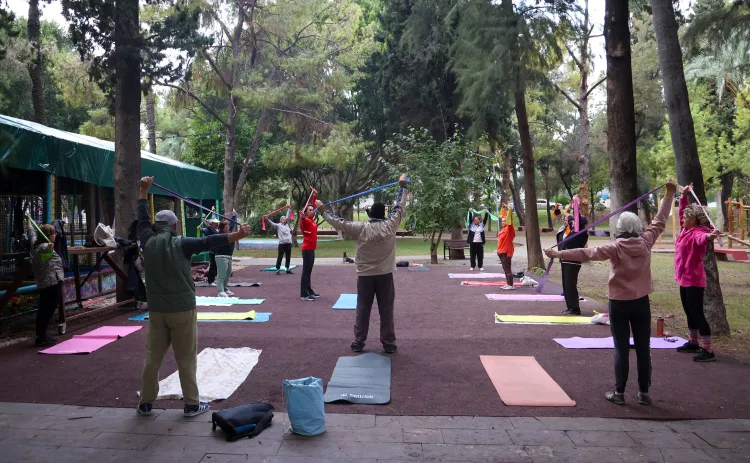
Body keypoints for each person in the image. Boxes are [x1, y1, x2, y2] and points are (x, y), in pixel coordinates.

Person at [545, 179, 677, 406]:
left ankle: (619, 392)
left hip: (619, 303)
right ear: (637, 227)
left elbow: (586, 253)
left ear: (620, 229)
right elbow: (660, 219)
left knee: (621, 347)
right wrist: (669, 194)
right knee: (643, 347)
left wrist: (559, 254)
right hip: (641, 302)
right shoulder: (647, 241)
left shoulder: (615, 247)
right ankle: (644, 393)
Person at [136, 177, 251, 417]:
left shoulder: (147, 240)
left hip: (157, 310)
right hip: (182, 310)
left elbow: (143, 219)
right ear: (174, 226)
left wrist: (143, 191)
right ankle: (191, 404)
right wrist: (238, 235)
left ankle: (145, 403)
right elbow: (209, 241)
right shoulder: (182, 243)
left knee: (152, 358)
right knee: (186, 358)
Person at [317, 173, 409, 354]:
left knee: (363, 309)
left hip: (365, 277)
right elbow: (399, 207)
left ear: (370, 214)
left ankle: (359, 342)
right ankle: (388, 344)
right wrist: (402, 187)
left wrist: (322, 211)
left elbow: (339, 223)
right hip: (384, 276)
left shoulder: (360, 228)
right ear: (383, 214)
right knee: (386, 310)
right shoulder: (390, 225)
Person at [674, 184, 721, 362]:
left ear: (694, 220)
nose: (683, 219)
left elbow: (703, 239)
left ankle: (708, 350)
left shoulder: (697, 233)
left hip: (694, 279)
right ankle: (693, 342)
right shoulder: (685, 229)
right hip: (683, 278)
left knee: (697, 313)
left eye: (686, 218)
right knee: (689, 311)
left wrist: (711, 236)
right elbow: (682, 212)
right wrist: (683, 196)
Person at [26, 219, 64, 346]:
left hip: (46, 282)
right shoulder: (43, 247)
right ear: (48, 235)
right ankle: (41, 337)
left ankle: (42, 335)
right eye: (53, 233)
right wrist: (48, 249)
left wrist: (28, 220)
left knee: (44, 308)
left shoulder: (35, 244)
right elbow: (44, 253)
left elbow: (31, 233)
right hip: (52, 282)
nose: (55, 235)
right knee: (48, 309)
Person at [557, 212, 589, 315]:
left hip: (573, 262)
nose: (573, 223)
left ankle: (575, 308)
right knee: (566, 285)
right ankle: (570, 307)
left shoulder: (581, 233)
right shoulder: (572, 231)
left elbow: (577, 220)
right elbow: (569, 220)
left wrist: (576, 209)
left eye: (575, 222)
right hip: (565, 260)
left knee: (570, 285)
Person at [215, 210, 239, 297]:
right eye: (226, 227)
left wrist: (234, 215)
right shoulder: (219, 235)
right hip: (221, 256)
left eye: (228, 227)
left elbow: (232, 224)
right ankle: (220, 291)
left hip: (228, 256)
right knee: (222, 275)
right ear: (221, 228)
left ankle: (225, 289)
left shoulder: (228, 233)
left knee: (228, 274)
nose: (228, 228)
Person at [299, 193, 319, 301]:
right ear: (306, 212)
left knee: (309, 272)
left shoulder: (311, 220)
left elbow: (314, 206)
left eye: (312, 210)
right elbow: (302, 218)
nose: (312, 211)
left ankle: (309, 291)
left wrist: (314, 196)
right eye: (310, 210)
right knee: (306, 272)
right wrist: (302, 216)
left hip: (311, 249)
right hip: (307, 249)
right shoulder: (305, 221)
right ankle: (304, 294)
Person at [496, 205, 516, 290]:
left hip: (506, 252)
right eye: (502, 221)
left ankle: (511, 285)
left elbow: (510, 221)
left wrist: (510, 210)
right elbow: (503, 216)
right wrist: (503, 209)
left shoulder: (509, 228)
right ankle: (508, 283)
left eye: (504, 221)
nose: (503, 222)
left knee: (507, 269)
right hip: (501, 252)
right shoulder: (503, 229)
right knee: (505, 268)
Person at [198, 215, 220, 286]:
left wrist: (206, 223)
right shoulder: (209, 230)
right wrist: (200, 228)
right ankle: (211, 281)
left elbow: (215, 232)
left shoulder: (217, 230)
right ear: (212, 224)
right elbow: (203, 230)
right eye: (215, 223)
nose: (217, 225)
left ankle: (213, 278)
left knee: (217, 266)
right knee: (213, 266)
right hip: (213, 251)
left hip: (219, 251)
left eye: (217, 223)